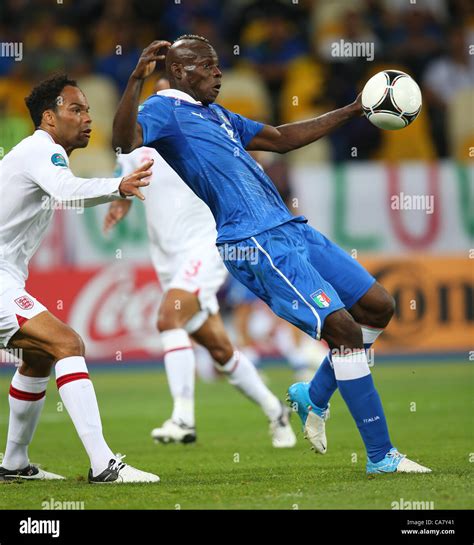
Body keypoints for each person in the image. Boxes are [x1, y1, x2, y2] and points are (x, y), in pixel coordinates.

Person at [112, 36, 430, 475]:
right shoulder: (162, 110)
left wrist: (354, 108)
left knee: (378, 307)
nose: (219, 73)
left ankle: (313, 396)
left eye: (218, 65)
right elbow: (126, 142)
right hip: (253, 240)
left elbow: (280, 138)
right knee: (344, 333)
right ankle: (381, 456)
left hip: (290, 228)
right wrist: (134, 81)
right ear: (182, 72)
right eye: (207, 66)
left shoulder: (216, 115)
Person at [103, 77, 296, 449]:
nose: (164, 100)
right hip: (168, 259)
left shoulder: (199, 131)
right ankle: (277, 411)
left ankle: (183, 417)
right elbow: (124, 180)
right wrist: (118, 202)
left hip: (206, 246)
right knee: (220, 349)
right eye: (158, 92)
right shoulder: (137, 138)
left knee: (167, 318)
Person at [0, 74, 160, 483]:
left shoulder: (38, 152)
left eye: (88, 109)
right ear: (49, 118)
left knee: (38, 356)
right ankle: (104, 464)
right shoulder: (42, 149)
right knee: (67, 343)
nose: (88, 118)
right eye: (77, 109)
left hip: (8, 279)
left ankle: (14, 464)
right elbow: (64, 190)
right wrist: (118, 186)